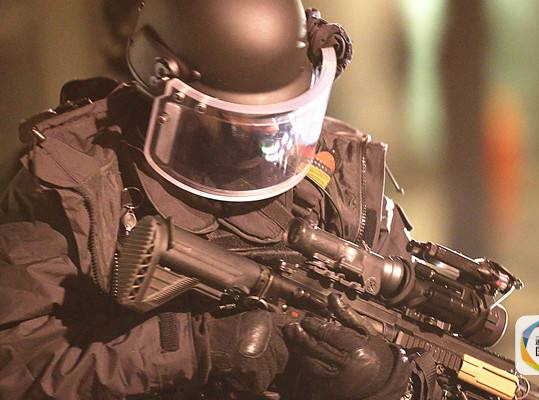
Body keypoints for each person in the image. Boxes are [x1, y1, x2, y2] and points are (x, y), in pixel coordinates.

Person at [0, 1, 434, 399]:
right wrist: (193, 347)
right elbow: (17, 369)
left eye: (278, 118)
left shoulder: (344, 183)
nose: (265, 139)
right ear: (163, 79)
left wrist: (393, 384)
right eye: (233, 120)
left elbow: (436, 356)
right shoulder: (75, 179)